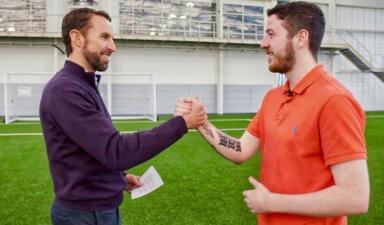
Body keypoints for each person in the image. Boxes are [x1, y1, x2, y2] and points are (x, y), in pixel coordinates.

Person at [176, 2, 369, 225]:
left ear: (300, 38)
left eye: (271, 34)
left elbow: (355, 197)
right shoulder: (273, 97)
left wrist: (272, 202)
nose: (263, 44)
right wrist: (201, 123)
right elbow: (241, 150)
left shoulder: (334, 101)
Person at [39, 8, 207, 225]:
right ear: (77, 38)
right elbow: (116, 150)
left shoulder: (82, 84)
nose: (113, 46)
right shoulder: (65, 90)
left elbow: (91, 150)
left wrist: (118, 178)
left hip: (97, 211)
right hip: (84, 216)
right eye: (104, 36)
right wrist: (182, 123)